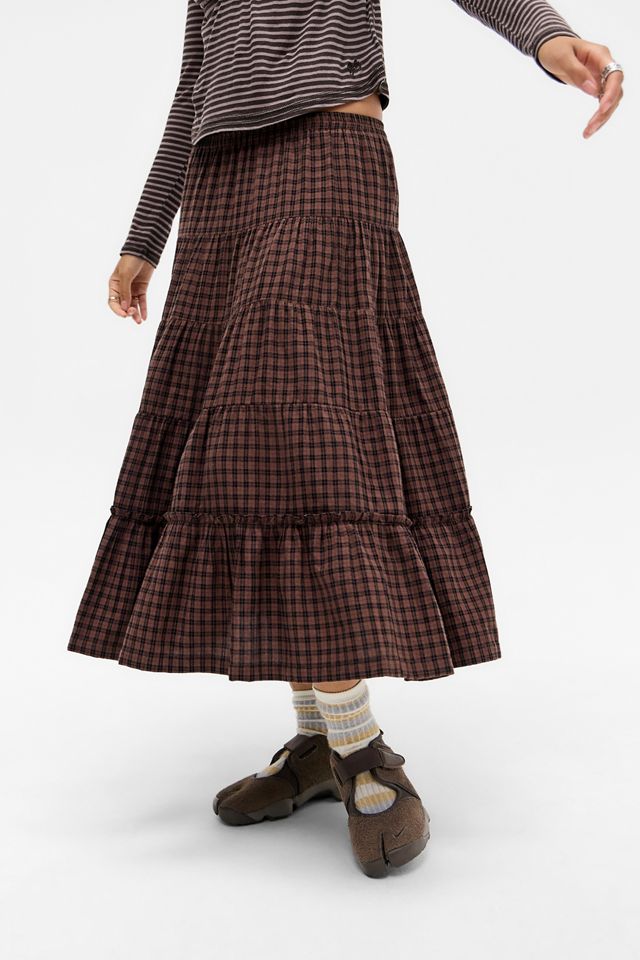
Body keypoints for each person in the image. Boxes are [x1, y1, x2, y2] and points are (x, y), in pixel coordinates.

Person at [67, 1, 624, 878]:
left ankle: (364, 750)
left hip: (328, 157)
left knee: (300, 418)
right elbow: (191, 90)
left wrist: (546, 38)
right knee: (254, 452)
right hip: (219, 185)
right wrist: (144, 238)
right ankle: (321, 741)